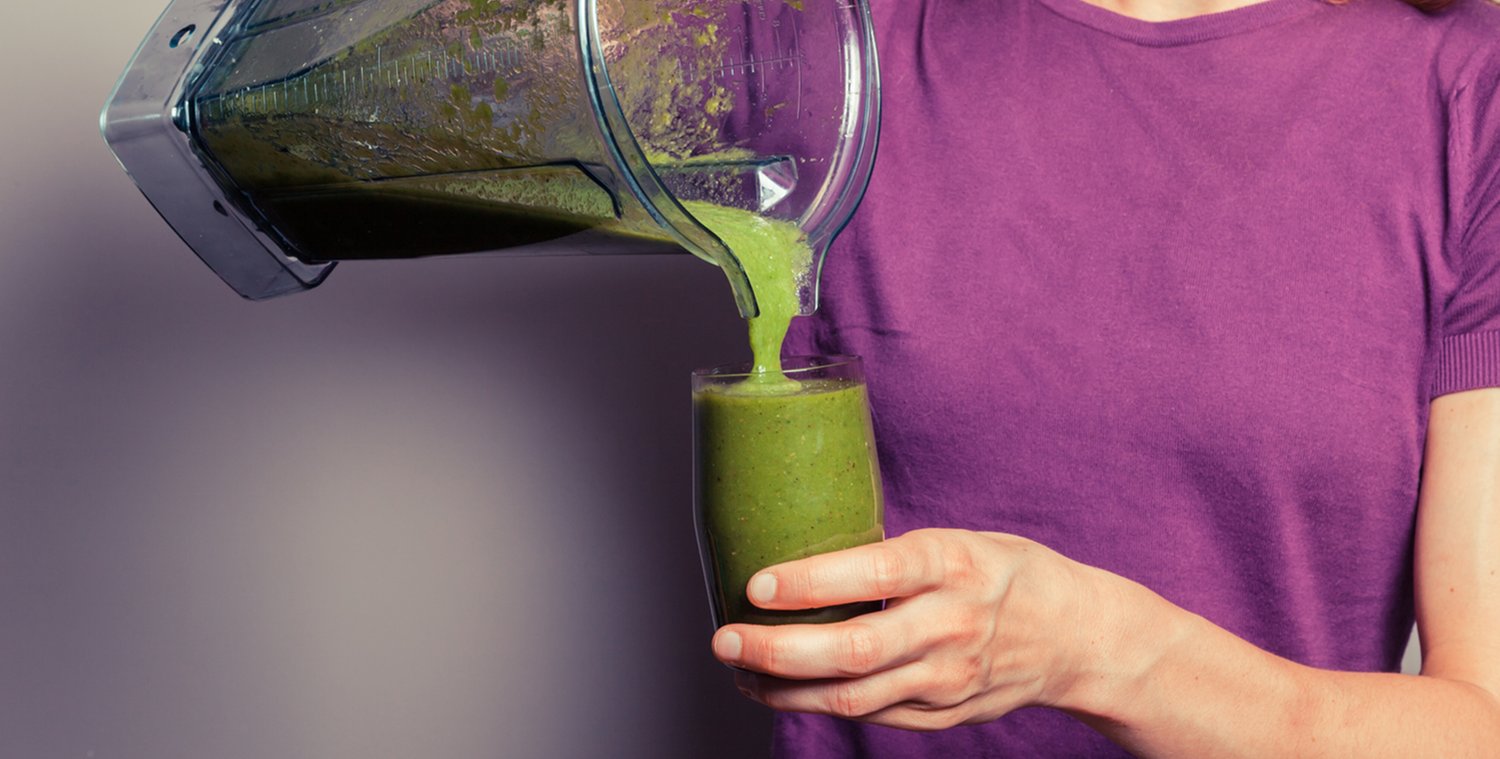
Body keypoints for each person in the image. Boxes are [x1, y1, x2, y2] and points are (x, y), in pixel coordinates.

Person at [708, 0, 1500, 755]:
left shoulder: (1467, 88)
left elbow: (1483, 726)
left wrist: (1099, 652)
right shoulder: (831, 40)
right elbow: (589, 109)